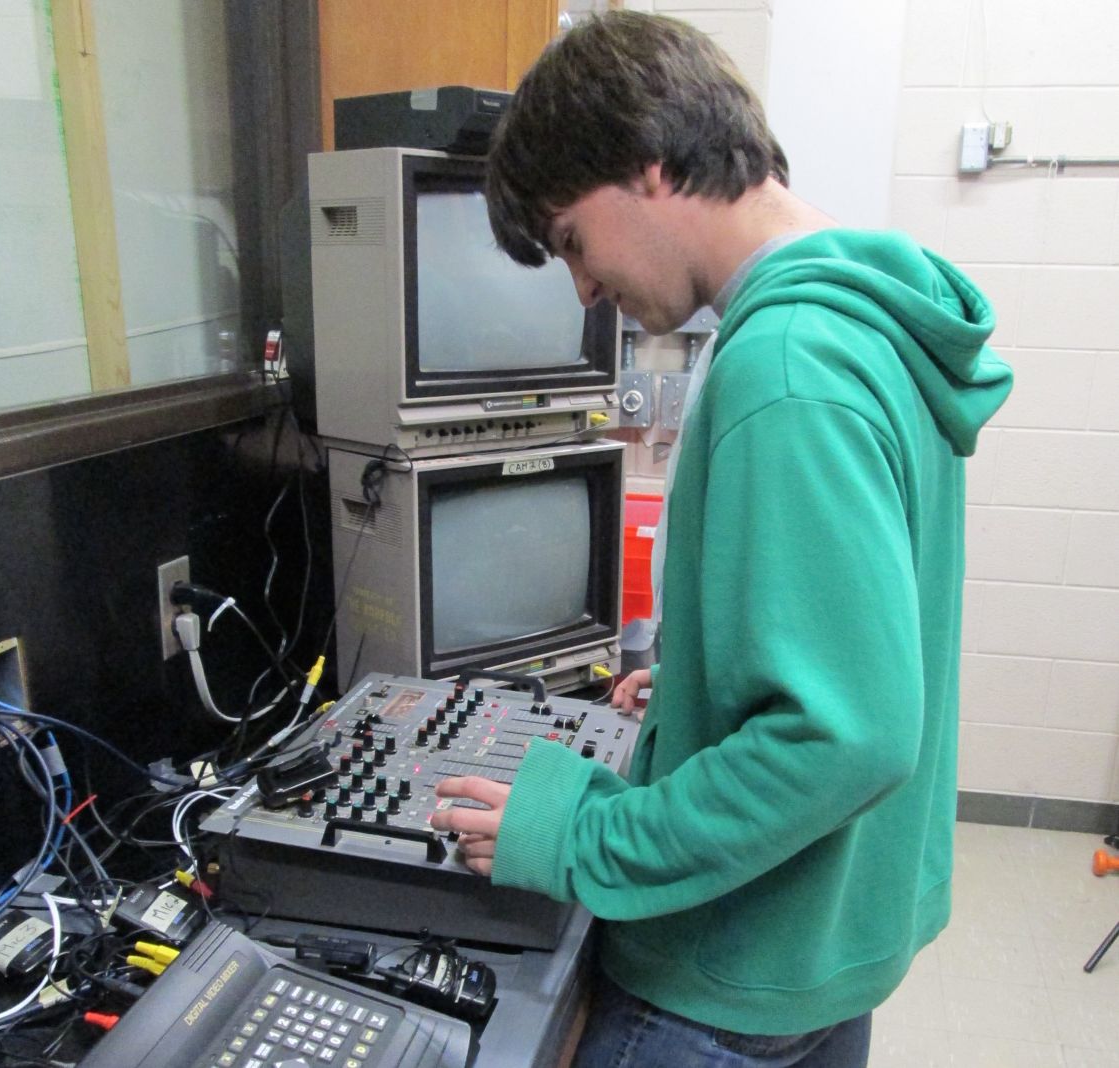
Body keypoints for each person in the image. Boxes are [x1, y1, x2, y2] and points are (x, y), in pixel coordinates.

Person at [429, 11, 1013, 1067]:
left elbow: (850, 734)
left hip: (724, 978)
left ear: (646, 164)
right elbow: (861, 634)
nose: (585, 288)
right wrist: (706, 682)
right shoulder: (870, 319)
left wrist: (581, 836)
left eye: (571, 240)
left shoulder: (786, 365)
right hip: (827, 935)